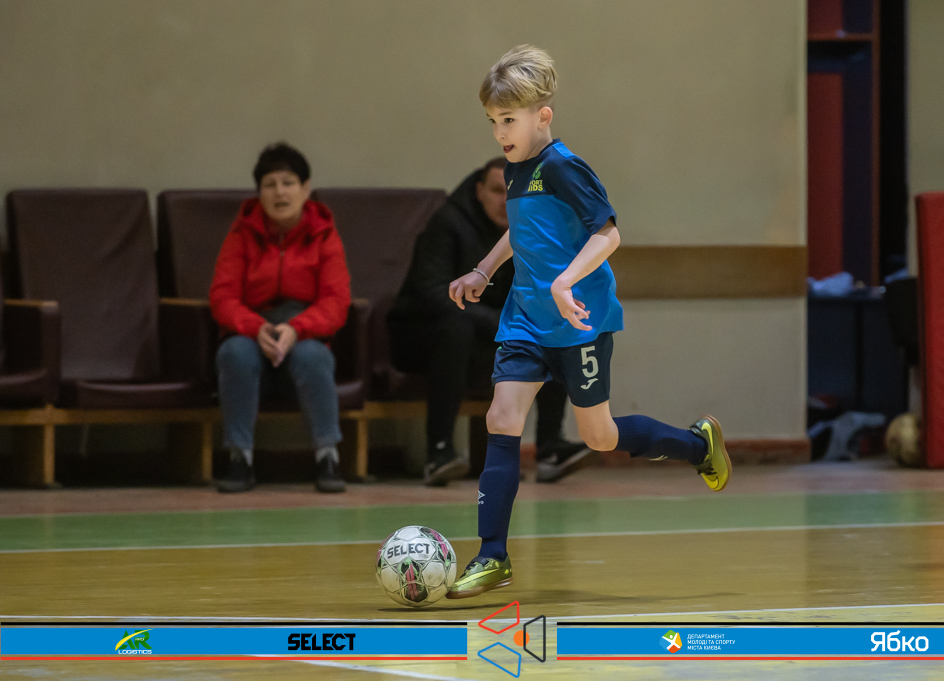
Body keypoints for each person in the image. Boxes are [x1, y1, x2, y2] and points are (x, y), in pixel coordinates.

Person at [444, 46, 733, 599]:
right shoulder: (515, 168)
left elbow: (608, 233)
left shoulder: (562, 166)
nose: (500, 132)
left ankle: (698, 445)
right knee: (502, 418)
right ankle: (492, 555)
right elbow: (523, 230)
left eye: (509, 120)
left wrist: (565, 282)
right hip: (526, 318)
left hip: (578, 320)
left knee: (598, 436)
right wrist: (484, 270)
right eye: (493, 121)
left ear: (542, 116)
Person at [388, 157, 595, 486]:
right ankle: (439, 453)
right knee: (457, 330)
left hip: (484, 336)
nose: (505, 201)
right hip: (420, 336)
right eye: (498, 191)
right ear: (479, 191)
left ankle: (549, 448)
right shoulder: (447, 223)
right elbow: (432, 293)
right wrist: (504, 324)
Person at [210, 143, 351, 493]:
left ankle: (328, 456)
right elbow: (223, 297)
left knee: (314, 357)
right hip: (251, 331)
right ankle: (239, 458)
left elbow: (336, 302)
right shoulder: (241, 233)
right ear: (259, 193)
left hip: (303, 332)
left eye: (288, 183)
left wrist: (297, 328)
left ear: (305, 188)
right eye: (270, 185)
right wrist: (256, 327)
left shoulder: (325, 235)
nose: (280, 192)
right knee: (234, 354)